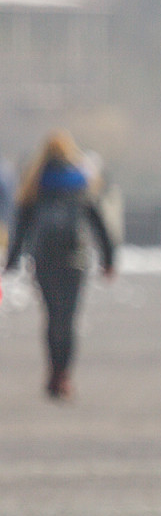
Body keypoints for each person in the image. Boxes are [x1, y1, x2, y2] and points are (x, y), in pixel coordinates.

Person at [3, 130, 116, 399]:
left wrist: (11, 261)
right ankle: (64, 375)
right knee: (68, 319)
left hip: (44, 259)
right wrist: (109, 260)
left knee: (52, 317)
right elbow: (100, 226)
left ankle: (53, 372)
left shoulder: (34, 184)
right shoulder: (81, 182)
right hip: (74, 259)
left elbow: (22, 228)